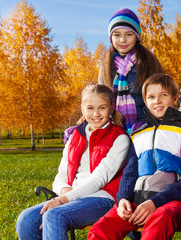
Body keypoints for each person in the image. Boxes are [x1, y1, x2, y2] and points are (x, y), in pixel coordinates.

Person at [88, 73, 181, 240]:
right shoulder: (138, 133)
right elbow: (130, 173)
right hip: (136, 201)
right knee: (101, 230)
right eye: (151, 97)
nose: (157, 101)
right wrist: (123, 198)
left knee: (156, 226)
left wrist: (156, 202)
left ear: (175, 98)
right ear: (145, 102)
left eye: (163, 95)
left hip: (172, 202)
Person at [16, 84, 130, 240]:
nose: (96, 114)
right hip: (72, 197)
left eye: (102, 108)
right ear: (82, 109)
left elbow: (99, 179)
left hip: (103, 199)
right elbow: (61, 174)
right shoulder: (75, 136)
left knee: (55, 216)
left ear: (111, 108)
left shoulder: (120, 138)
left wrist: (64, 200)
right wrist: (64, 191)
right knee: (26, 220)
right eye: (90, 108)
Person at [98, 8, 163, 133]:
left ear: (137, 36)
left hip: (146, 127)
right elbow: (99, 97)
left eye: (129, 34)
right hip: (113, 129)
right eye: (117, 35)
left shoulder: (147, 62)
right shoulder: (106, 66)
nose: (123, 40)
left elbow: (161, 94)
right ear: (111, 38)